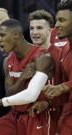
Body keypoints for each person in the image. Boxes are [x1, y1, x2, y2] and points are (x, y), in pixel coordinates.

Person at [0, 19, 56, 135]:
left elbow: (31, 95)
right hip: (15, 114)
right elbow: (9, 94)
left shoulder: (42, 57)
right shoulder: (7, 61)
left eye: (2, 35)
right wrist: (22, 79)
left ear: (16, 34)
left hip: (37, 115)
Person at [43, 0, 72, 135]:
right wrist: (48, 103)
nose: (56, 25)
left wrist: (62, 87)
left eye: (62, 20)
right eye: (56, 20)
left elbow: (63, 88)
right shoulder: (65, 49)